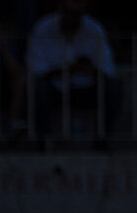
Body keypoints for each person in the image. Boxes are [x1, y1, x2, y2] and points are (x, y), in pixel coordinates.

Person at [26, 0, 119, 138]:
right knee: (36, 87)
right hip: (54, 88)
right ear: (60, 9)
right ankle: (43, 140)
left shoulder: (94, 29)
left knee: (114, 86)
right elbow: (36, 67)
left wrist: (84, 68)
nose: (73, 18)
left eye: (77, 14)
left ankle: (102, 138)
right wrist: (67, 70)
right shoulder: (43, 28)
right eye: (70, 13)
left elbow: (106, 67)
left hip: (86, 88)